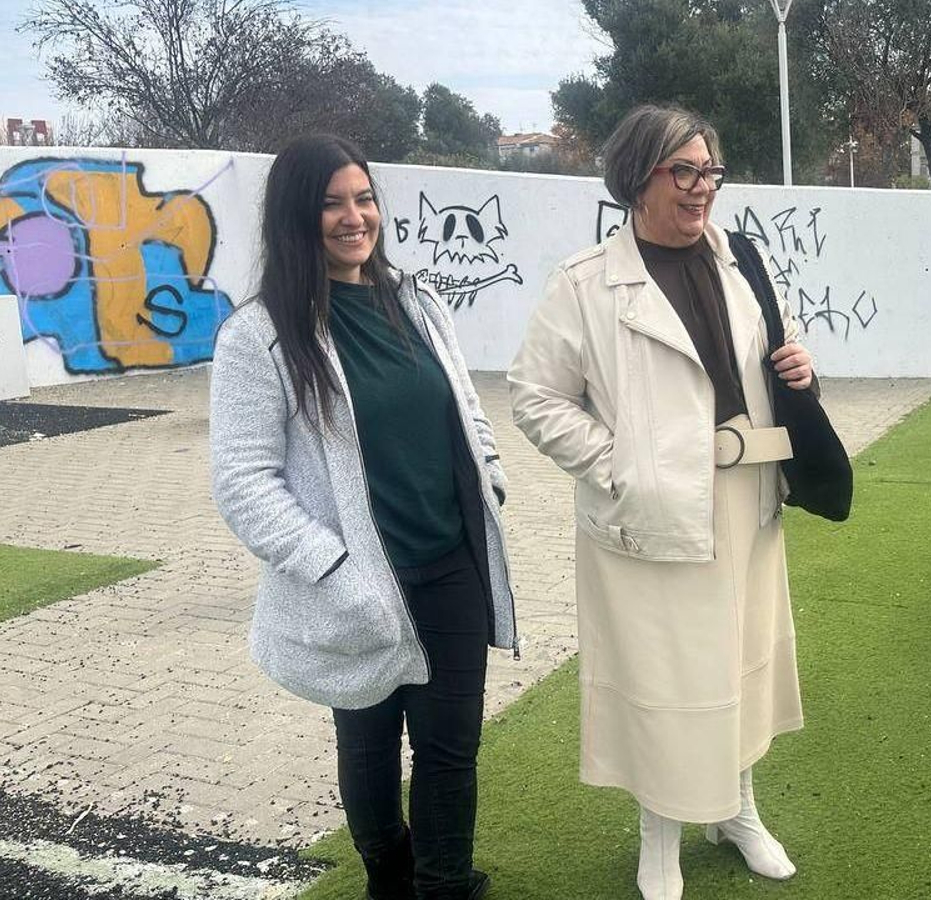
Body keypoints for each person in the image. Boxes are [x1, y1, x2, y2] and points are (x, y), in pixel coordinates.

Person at [508, 104, 815, 900]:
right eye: (684, 171)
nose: (702, 187)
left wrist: (801, 371)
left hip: (748, 499)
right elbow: (536, 398)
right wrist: (621, 466)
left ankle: (738, 810)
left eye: (710, 170)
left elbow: (760, 360)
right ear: (637, 178)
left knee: (741, 664)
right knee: (664, 682)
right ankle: (660, 837)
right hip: (647, 517)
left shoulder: (743, 260)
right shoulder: (585, 285)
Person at [210, 134, 519, 900]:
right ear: (295, 218)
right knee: (369, 739)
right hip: (356, 583)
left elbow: (465, 403)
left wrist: (491, 469)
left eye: (364, 198)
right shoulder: (259, 336)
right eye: (332, 203)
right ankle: (391, 875)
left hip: (450, 565)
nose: (356, 217)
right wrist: (335, 568)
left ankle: (445, 884)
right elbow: (244, 483)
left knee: (451, 749)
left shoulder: (415, 299)